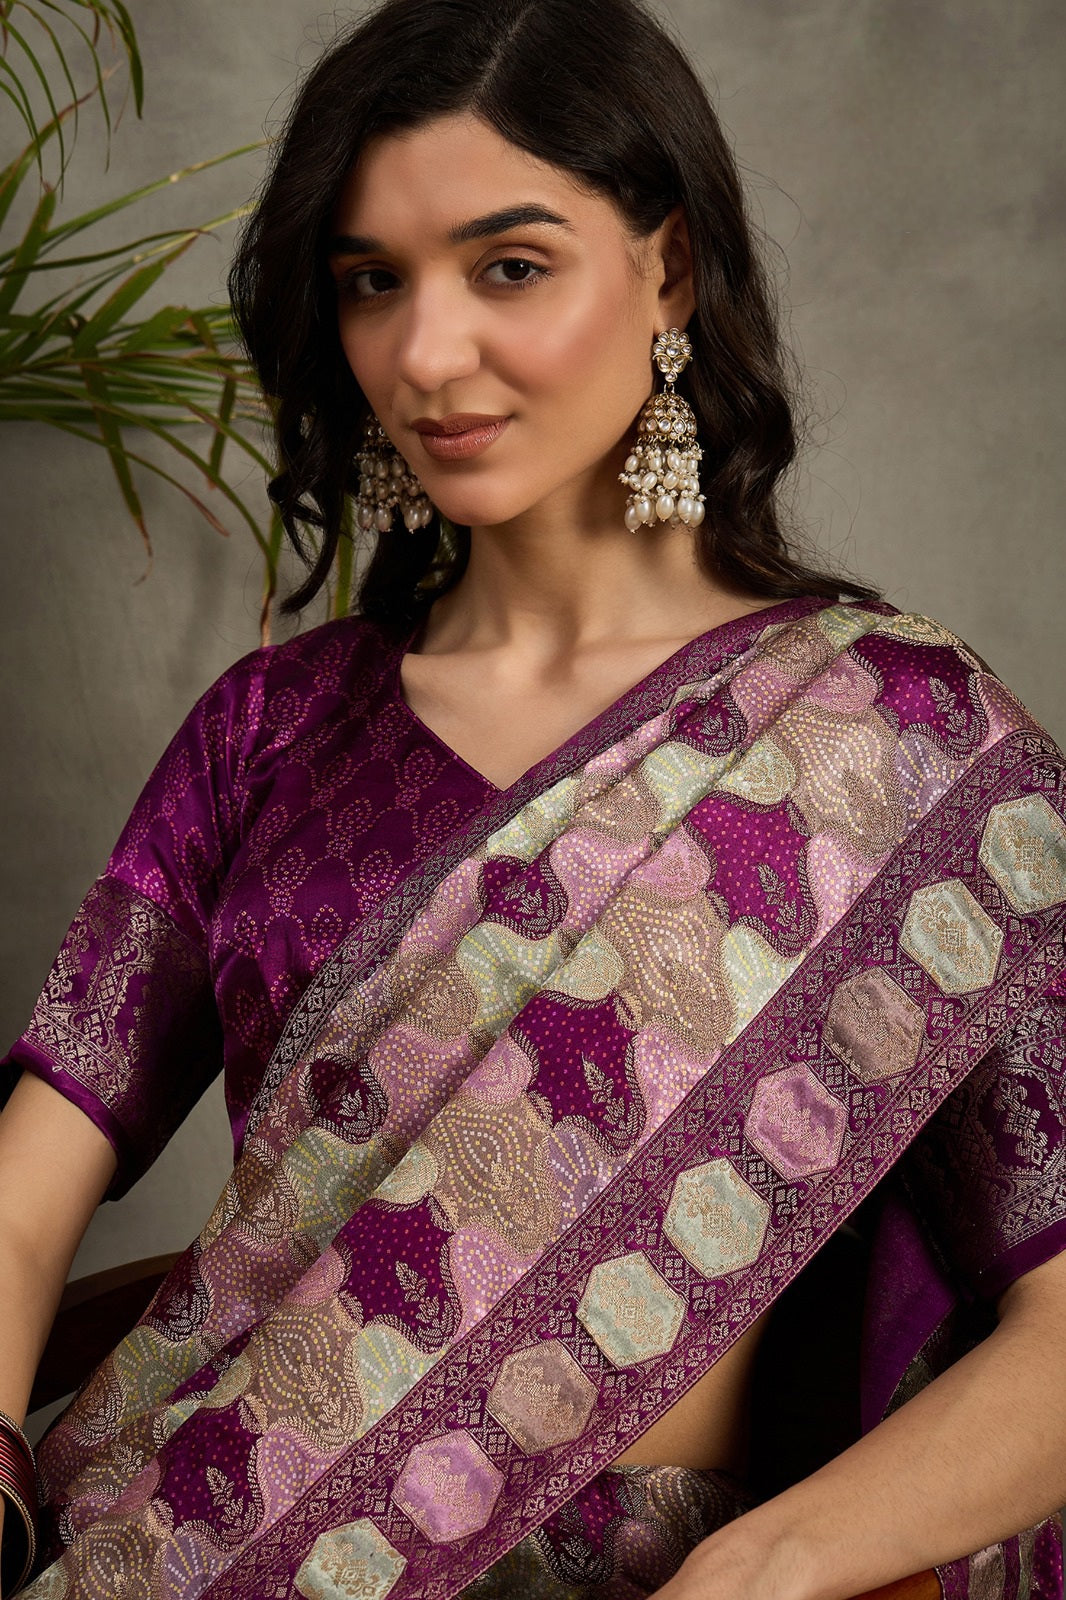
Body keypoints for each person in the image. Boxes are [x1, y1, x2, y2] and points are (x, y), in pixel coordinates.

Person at [1, 0, 1064, 1595]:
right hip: (194, 1551)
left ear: (670, 272)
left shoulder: (902, 742)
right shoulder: (272, 733)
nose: (426, 355)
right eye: (372, 280)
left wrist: (763, 1572)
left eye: (508, 265)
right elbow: (27, 1197)